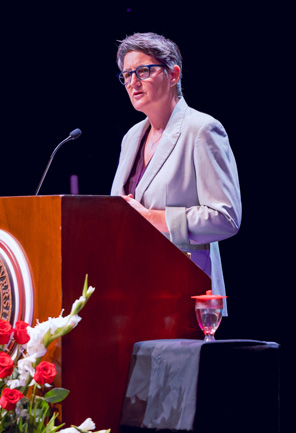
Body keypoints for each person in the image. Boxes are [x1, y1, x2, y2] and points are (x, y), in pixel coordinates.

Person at [111, 32, 241, 310]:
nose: (133, 82)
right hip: (131, 287)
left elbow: (226, 217)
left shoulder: (202, 130)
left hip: (184, 289)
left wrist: (153, 219)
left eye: (143, 71)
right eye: (126, 75)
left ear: (173, 74)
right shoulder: (132, 137)